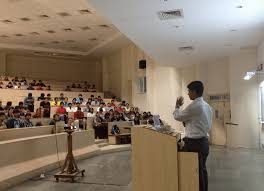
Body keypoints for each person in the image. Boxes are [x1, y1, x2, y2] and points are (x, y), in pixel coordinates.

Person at [173, 81, 212, 191]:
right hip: (203, 142)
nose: (188, 94)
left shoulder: (195, 106)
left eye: (189, 91)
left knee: (196, 173)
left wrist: (177, 106)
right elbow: (200, 123)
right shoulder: (207, 106)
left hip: (195, 144)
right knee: (202, 171)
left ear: (195, 92)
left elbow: (178, 116)